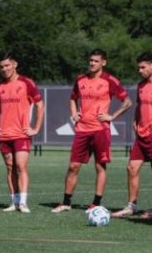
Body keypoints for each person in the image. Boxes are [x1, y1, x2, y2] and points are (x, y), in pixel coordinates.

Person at [52, 49, 132, 213]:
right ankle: (66, 202)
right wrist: (74, 114)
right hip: (82, 129)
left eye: (96, 61)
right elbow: (73, 99)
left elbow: (127, 102)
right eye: (90, 60)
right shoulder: (80, 79)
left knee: (100, 167)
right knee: (73, 166)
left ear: (103, 62)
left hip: (100, 130)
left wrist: (111, 116)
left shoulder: (110, 80)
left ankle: (96, 203)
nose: (92, 63)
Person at [113, 52, 152, 220]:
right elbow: (139, 106)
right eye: (138, 67)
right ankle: (131, 206)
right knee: (131, 168)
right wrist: (135, 121)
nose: (140, 70)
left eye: (143, 67)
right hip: (141, 134)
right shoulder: (141, 86)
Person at [0, 52, 44, 213]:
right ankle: (13, 202)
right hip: (4, 135)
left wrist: (35, 128)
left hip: (22, 134)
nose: (4, 69)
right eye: (2, 67)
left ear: (15, 65)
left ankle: (23, 202)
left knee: (21, 166)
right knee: (10, 168)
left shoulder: (26, 83)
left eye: (7, 65)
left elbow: (40, 105)